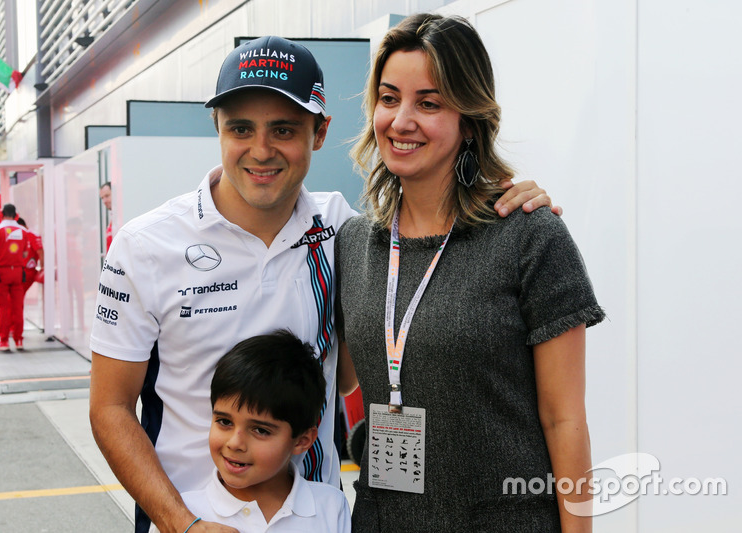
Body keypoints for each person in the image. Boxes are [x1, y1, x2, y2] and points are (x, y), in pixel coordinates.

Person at [89, 35, 553, 533]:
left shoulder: (344, 231)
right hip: (190, 521)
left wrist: (502, 203)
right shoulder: (144, 245)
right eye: (241, 128)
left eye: (283, 129)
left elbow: (350, 375)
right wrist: (182, 523)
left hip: (315, 520)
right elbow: (110, 409)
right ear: (217, 128)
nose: (261, 151)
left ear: (320, 132)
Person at [334, 14, 606, 533]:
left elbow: (564, 419)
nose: (402, 120)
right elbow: (344, 376)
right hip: (383, 519)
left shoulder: (528, 236)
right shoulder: (355, 243)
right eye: (389, 99)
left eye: (429, 103)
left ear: (470, 116)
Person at [151, 330, 351, 533]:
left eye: (260, 430)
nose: (235, 443)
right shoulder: (184, 516)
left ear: (302, 440)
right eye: (224, 421)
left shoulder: (331, 507)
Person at [0, 204, 30, 351]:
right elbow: (25, 254)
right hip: (18, 272)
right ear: (15, 214)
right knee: (18, 307)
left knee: (3, 308)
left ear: (2, 213)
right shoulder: (23, 231)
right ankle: (19, 340)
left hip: (2, 273)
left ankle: (4, 341)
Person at [16, 218, 44, 295]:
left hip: (27, 271)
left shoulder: (31, 235)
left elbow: (40, 252)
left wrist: (42, 268)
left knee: (18, 295)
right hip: (18, 270)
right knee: (16, 297)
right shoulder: (19, 236)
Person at [100, 182, 113, 251]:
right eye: (102, 198)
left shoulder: (121, 218)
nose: (104, 201)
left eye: (107, 196)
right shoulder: (112, 219)